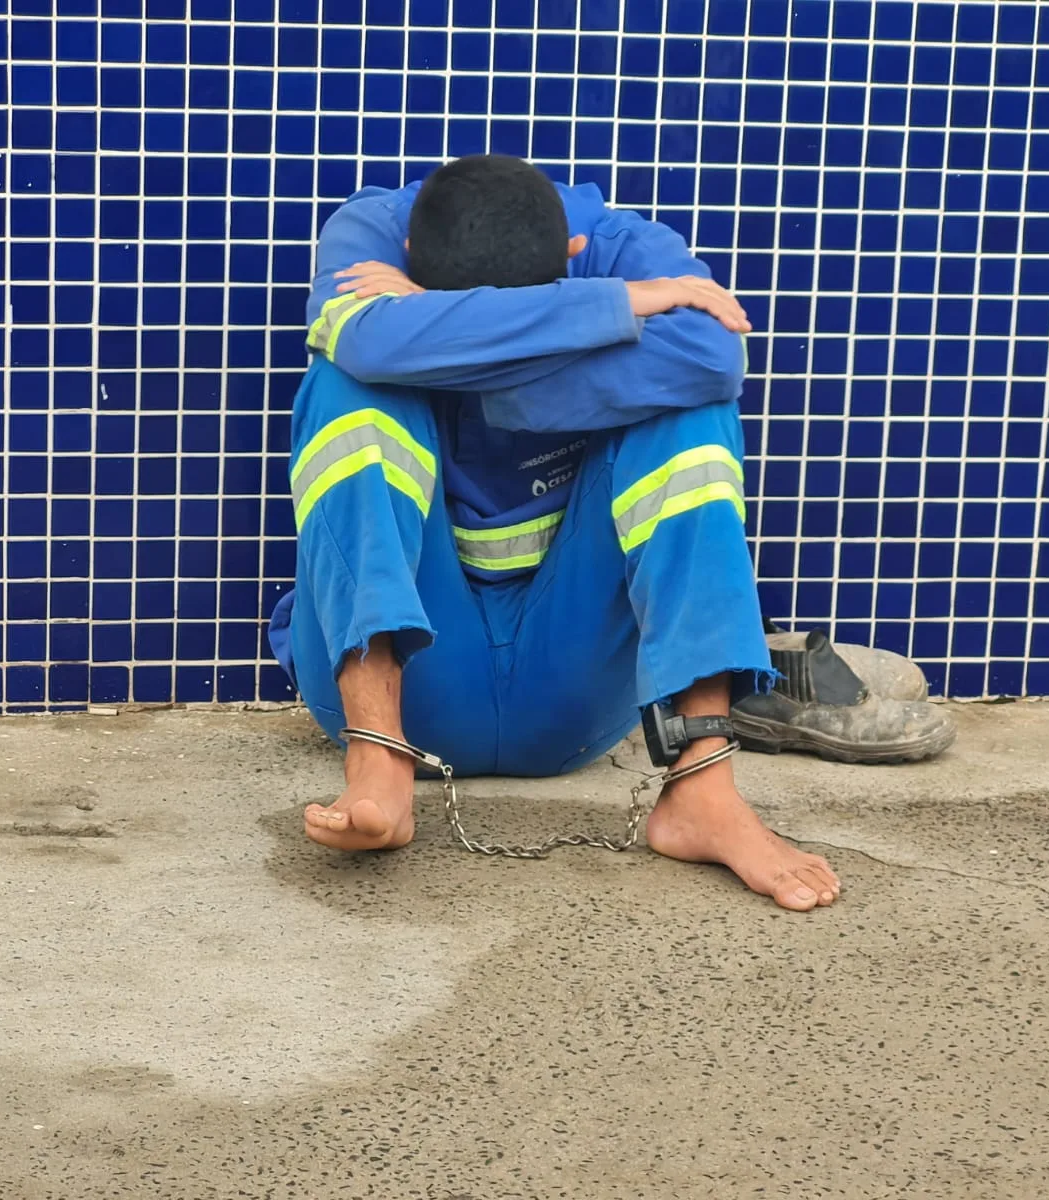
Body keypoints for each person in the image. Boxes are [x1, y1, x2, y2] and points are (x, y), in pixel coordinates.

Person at [269, 156, 952, 911]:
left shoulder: (625, 243)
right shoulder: (373, 231)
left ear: (572, 259)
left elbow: (713, 359)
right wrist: (620, 308)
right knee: (346, 385)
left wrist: (443, 340)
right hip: (409, 686)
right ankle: (379, 761)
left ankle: (703, 788)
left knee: (688, 408)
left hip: (573, 688)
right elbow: (369, 346)